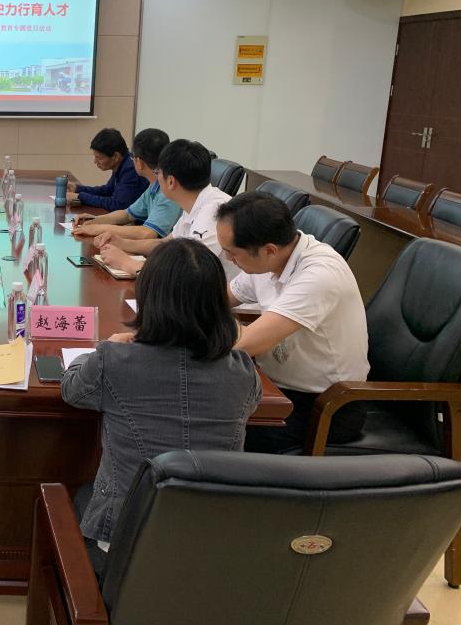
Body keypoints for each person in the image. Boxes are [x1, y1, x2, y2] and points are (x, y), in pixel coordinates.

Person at [61, 239, 260, 571]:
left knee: (78, 495)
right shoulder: (242, 370)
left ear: (149, 298)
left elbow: (71, 390)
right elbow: (250, 406)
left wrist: (101, 349)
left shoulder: (115, 361)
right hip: (215, 535)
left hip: (127, 538)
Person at [216, 192, 369, 454]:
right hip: (276, 386)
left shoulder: (319, 275)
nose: (228, 259)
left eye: (232, 253)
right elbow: (220, 298)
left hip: (326, 406)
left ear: (269, 250)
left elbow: (244, 344)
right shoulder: (269, 259)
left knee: (214, 424)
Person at [92, 139, 239, 279]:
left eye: (158, 173)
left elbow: (189, 274)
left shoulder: (212, 212)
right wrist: (122, 243)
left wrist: (128, 264)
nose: (156, 178)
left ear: (171, 181)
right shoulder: (194, 203)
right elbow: (164, 244)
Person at [72, 128, 180, 242]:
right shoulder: (154, 185)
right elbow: (128, 214)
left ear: (139, 162)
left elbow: (148, 233)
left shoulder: (168, 190)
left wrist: (100, 229)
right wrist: (96, 220)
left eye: (132, 156)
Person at [65, 128, 148, 212]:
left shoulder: (131, 169)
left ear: (115, 156)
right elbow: (107, 190)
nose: (95, 162)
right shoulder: (121, 163)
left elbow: (118, 205)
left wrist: (80, 197)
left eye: (99, 158)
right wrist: (77, 188)